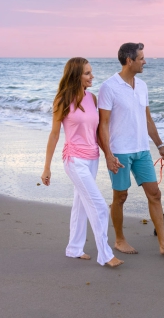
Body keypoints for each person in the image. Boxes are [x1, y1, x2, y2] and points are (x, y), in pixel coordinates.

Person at [98, 43, 164, 256]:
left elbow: (147, 119)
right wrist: (108, 154)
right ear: (130, 61)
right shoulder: (109, 87)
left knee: (155, 193)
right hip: (119, 152)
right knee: (120, 196)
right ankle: (119, 240)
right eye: (141, 58)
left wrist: (160, 145)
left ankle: (163, 242)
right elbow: (103, 124)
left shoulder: (143, 86)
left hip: (142, 150)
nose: (145, 61)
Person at [41, 57, 123, 268]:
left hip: (92, 158)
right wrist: (47, 167)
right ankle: (105, 255)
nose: (91, 76)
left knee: (80, 204)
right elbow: (53, 135)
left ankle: (74, 248)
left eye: (91, 72)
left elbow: (96, 133)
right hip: (74, 160)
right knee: (100, 207)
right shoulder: (62, 100)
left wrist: (109, 155)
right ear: (76, 75)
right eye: (87, 73)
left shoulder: (92, 98)